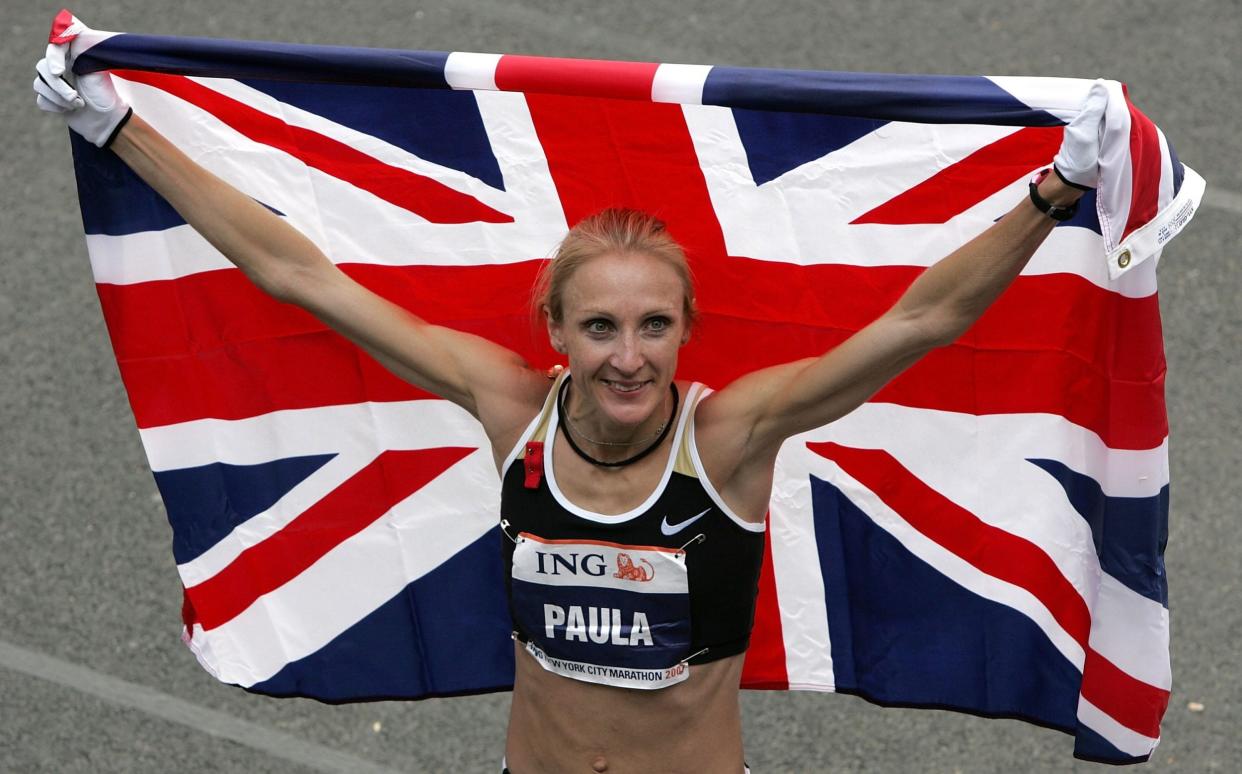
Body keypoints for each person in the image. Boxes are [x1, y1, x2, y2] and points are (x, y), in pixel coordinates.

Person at [34, 19, 1103, 774]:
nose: (628, 357)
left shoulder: (729, 438)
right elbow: (298, 273)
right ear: (555, 335)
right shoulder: (511, 411)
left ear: (687, 331)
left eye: (653, 326)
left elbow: (920, 321)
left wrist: (1054, 191)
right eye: (600, 327)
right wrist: (117, 130)